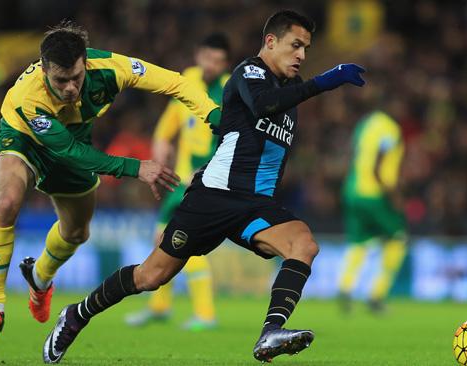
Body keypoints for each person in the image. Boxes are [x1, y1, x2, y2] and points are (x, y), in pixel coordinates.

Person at [42, 10, 365, 364]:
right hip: (213, 197)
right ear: (271, 42)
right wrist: (325, 81)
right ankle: (76, 314)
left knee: (304, 244)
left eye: (306, 47)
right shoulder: (249, 73)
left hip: (255, 205)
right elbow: (261, 105)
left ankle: (271, 331)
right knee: (151, 276)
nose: (302, 55)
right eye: (296, 45)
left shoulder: (291, 94)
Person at [0, 21, 222, 345]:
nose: (71, 88)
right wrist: (136, 168)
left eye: (76, 77)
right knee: (6, 202)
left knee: (77, 232)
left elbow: (175, 83)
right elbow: (70, 151)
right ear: (44, 69)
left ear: (85, 63)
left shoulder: (112, 68)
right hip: (24, 139)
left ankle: (40, 278)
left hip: (74, 138)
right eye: (61, 80)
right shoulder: (27, 97)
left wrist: (212, 114)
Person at [124, 33, 231, 332]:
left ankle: (206, 314)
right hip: (180, 180)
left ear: (225, 64)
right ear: (199, 56)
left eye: (219, 61)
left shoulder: (229, 91)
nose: (213, 64)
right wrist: (160, 142)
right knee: (161, 240)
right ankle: (159, 307)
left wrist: (210, 169)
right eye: (209, 57)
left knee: (185, 244)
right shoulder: (189, 80)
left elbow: (231, 137)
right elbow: (172, 119)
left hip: (205, 182)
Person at [337, 109, 407, 313]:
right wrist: (392, 194)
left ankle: (345, 287)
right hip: (375, 194)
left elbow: (352, 155)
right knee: (397, 238)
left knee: (359, 242)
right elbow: (378, 164)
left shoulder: (364, 124)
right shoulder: (390, 128)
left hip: (352, 190)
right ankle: (377, 294)